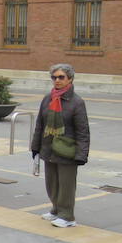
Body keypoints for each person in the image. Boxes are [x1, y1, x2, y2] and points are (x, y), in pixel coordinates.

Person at [30, 63, 90, 228]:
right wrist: (35, 147)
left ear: (70, 79)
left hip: (67, 149)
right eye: (54, 77)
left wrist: (81, 154)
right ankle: (56, 209)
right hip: (49, 147)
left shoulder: (76, 102)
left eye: (61, 77)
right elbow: (40, 125)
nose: (57, 80)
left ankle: (67, 215)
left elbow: (83, 130)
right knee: (52, 182)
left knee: (66, 185)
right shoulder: (48, 98)